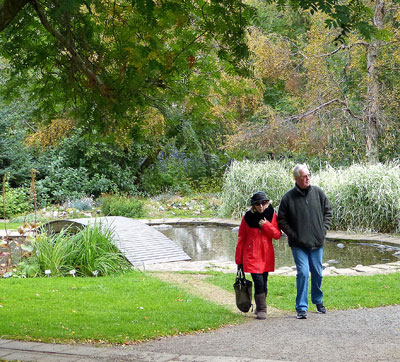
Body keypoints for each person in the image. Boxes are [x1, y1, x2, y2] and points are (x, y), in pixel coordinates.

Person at [277, 164, 333, 319]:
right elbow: (281, 219)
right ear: (297, 178)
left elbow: (328, 210)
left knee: (318, 273)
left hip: (317, 242)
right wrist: (293, 235)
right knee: (302, 273)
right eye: (304, 176)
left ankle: (318, 300)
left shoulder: (318, 193)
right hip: (298, 244)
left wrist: (323, 229)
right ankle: (301, 307)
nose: (308, 178)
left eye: (309, 175)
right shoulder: (288, 198)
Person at [235, 191, 281, 320]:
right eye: (257, 204)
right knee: (259, 282)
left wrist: (266, 225)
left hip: (266, 256)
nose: (261, 206)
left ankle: (259, 306)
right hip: (251, 256)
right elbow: (241, 238)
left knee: (264, 282)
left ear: (267, 203)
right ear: (253, 205)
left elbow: (277, 235)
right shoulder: (247, 218)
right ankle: (262, 309)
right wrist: (239, 260)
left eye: (263, 203)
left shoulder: (272, 215)